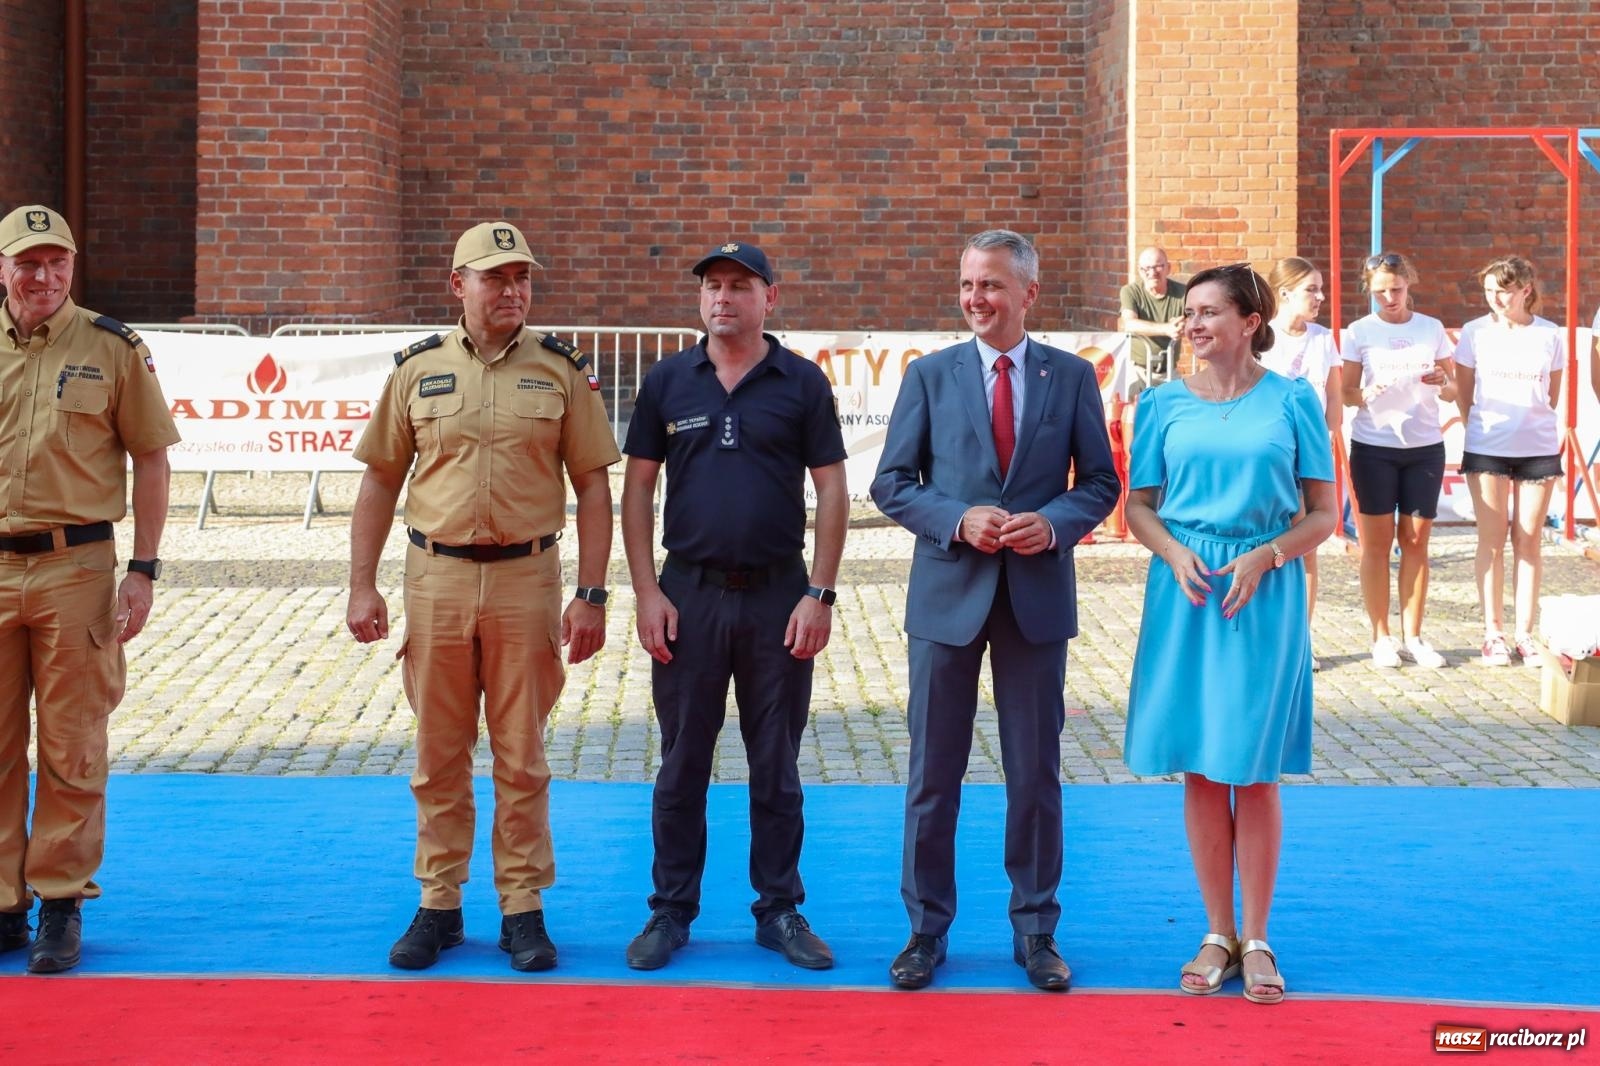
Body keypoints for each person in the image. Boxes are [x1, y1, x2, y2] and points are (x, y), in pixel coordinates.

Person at [347, 220, 619, 973]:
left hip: (526, 581)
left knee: (521, 754)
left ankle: (523, 907)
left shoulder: (561, 371)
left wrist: (592, 594)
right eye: (495, 277)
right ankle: (439, 903)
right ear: (457, 285)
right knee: (437, 754)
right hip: (434, 576)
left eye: (521, 277)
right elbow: (379, 480)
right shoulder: (416, 371)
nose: (512, 290)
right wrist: (361, 584)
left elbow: (594, 486)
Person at [871, 229, 1119, 993]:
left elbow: (1101, 483)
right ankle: (924, 932)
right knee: (930, 774)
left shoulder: (1071, 377)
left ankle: (1036, 930)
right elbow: (892, 483)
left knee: (1035, 774)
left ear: (1028, 293)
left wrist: (1055, 523)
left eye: (993, 286)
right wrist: (955, 519)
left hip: (1036, 598)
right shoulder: (930, 375)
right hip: (947, 598)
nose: (977, 299)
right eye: (969, 285)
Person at [619, 241, 847, 973]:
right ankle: (670, 911)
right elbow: (636, 491)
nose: (724, 299)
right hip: (687, 593)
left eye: (741, 287)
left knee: (775, 762)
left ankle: (778, 908)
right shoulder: (667, 383)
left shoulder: (802, 384)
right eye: (713, 287)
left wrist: (820, 590)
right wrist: (646, 590)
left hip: (780, 594)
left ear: (769, 300)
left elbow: (834, 490)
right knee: (682, 761)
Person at [1123, 263, 1336, 1006]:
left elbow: (1323, 514)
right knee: (1203, 767)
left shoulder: (1294, 400)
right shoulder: (1159, 405)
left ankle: (1259, 936)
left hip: (1262, 591)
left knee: (1254, 766)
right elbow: (1139, 506)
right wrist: (1174, 551)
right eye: (1189, 314)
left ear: (1251, 322)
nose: (1195, 324)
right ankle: (1217, 932)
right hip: (1185, 590)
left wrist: (1268, 554)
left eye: (1211, 312)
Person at [0, 204, 179, 973]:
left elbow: (153, 458)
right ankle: (3, 903)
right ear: (2, 268)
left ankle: (60, 902)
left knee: (72, 740)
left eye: (57, 263)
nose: (43, 278)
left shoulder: (111, 347)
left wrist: (143, 567)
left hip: (77, 567)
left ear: (72, 267)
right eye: (28, 263)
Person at [1340, 252, 1456, 669]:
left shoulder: (1431, 328)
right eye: (1380, 291)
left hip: (1425, 446)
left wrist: (1444, 381)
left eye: (1397, 289)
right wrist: (1366, 394)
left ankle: (1415, 636)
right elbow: (1347, 392)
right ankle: (1381, 636)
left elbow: (1453, 388)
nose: (1389, 297)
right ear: (1369, 290)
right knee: (1376, 544)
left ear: (1410, 283)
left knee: (1416, 542)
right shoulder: (1358, 332)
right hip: (1374, 446)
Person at [1454, 256, 1565, 666]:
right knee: (1492, 540)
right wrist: (1477, 427)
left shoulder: (1550, 335)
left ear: (1525, 290)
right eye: (1489, 290)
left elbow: (1551, 393)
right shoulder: (1474, 333)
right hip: (1488, 447)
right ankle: (1493, 631)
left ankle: (1524, 633)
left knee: (1529, 540)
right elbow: (1465, 391)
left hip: (1537, 447)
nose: (1496, 298)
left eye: (1504, 289)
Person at [1260, 257, 1340, 671]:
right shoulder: (1261, 337)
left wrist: (1325, 445)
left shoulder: (1324, 339)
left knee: (1306, 549)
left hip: (1311, 459)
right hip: (1270, 460)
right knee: (1267, 545)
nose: (1320, 297)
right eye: (1312, 289)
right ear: (1286, 292)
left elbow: (1335, 402)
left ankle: (1300, 640)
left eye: (1320, 288)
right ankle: (1265, 635)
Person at [1120, 246, 1188, 387]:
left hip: (1169, 370)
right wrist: (1167, 329)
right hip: (1137, 370)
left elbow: (1195, 319)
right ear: (1139, 270)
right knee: (1134, 408)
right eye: (1146, 268)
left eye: (1158, 267)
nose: (1152, 273)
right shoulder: (1130, 291)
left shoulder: (1184, 293)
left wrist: (1184, 325)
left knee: (1177, 405)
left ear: (1168, 268)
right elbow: (1129, 324)